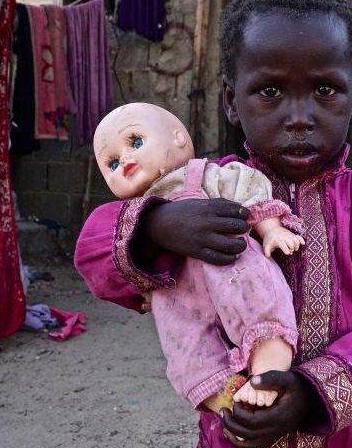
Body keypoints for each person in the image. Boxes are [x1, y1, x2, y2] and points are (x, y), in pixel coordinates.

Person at [74, 0, 352, 448]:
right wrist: (159, 226)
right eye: (269, 91)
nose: (299, 116)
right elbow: (95, 257)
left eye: (325, 90)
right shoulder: (198, 193)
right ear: (232, 100)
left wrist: (318, 391)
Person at [91, 102, 305, 408]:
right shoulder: (131, 216)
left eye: (135, 142)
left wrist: (271, 229)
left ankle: (267, 372)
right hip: (179, 294)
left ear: (178, 138)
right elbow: (111, 255)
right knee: (186, 345)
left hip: (230, 267)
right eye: (111, 163)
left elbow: (248, 193)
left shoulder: (208, 175)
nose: (125, 160)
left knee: (258, 303)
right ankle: (229, 405)